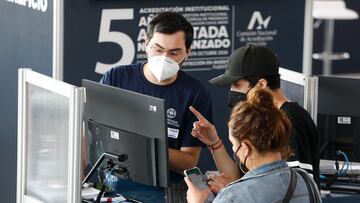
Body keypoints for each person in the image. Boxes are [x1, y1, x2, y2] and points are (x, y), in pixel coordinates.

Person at [99, 11, 213, 202]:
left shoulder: (195, 93)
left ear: (188, 52)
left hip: (166, 191)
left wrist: (139, 147)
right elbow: (88, 134)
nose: (164, 58)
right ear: (146, 43)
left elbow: (188, 161)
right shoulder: (116, 78)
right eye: (158, 50)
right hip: (113, 183)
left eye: (174, 53)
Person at [207, 44, 320, 187]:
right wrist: (214, 142)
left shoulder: (291, 120)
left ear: (261, 84)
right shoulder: (262, 118)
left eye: (236, 85)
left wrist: (230, 192)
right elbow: (245, 176)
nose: (232, 91)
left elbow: (294, 190)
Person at [186, 88, 321, 203]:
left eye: (234, 144)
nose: (234, 149)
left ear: (245, 148)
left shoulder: (232, 196)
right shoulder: (307, 181)